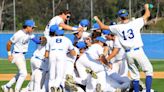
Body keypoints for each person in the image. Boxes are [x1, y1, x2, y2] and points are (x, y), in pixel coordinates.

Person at [94, 4, 153, 92]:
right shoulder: (135, 22)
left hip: (128, 53)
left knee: (135, 76)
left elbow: (102, 27)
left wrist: (97, 19)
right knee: (149, 71)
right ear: (127, 16)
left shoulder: (117, 27)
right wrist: (146, 7)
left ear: (120, 18)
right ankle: (148, 91)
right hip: (138, 50)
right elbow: (147, 15)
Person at [1, 20, 40, 92]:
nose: (33, 29)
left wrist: (44, 40)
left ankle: (6, 86)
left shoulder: (30, 33)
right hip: (16, 54)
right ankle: (17, 89)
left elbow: (37, 41)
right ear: (27, 27)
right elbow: (9, 43)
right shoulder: (18, 34)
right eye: (32, 27)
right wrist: (9, 55)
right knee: (24, 74)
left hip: (22, 55)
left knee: (20, 73)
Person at [45, 27, 77, 92]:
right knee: (60, 75)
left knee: (51, 76)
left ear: (55, 34)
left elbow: (46, 55)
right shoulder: (66, 39)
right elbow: (73, 53)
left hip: (52, 54)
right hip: (61, 55)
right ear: (63, 34)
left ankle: (51, 89)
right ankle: (55, 86)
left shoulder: (51, 39)